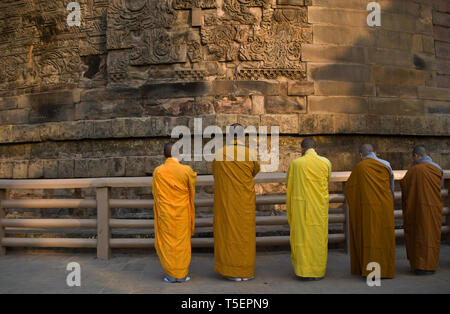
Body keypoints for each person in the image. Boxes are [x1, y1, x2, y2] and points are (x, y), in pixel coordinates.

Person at [212, 123, 260, 281]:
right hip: (244, 203)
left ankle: (230, 271)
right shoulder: (250, 153)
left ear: (228, 136)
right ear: (242, 136)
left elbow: (215, 172)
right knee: (245, 236)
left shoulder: (220, 153)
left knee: (228, 234)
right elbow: (254, 171)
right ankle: (246, 272)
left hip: (227, 201)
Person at [345, 144, 396, 279]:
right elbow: (391, 188)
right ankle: (386, 270)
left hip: (368, 209)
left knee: (370, 239)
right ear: (375, 152)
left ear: (361, 155)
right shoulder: (386, 165)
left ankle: (372, 272)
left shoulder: (359, 167)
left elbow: (350, 189)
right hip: (385, 207)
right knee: (384, 238)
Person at [286, 138, 331, 280]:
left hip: (301, 208)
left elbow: (289, 183)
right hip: (319, 208)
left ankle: (302, 271)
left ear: (302, 149)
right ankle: (317, 271)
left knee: (302, 238)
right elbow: (327, 180)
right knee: (318, 238)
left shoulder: (296, 163)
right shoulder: (325, 162)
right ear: (315, 148)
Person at [152, 142, 197, 283]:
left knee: (168, 242)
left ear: (163, 155)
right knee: (182, 243)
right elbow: (192, 188)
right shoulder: (186, 170)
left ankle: (171, 275)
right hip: (182, 213)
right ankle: (182, 274)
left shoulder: (158, 171)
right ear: (179, 155)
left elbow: (155, 193)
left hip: (165, 213)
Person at [400, 145, 444, 275]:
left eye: (412, 157)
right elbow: (439, 187)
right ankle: (431, 265)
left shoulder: (414, 170)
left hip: (418, 209)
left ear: (416, 156)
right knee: (431, 236)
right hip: (434, 209)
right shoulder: (437, 168)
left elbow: (405, 187)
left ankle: (420, 266)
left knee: (419, 235)